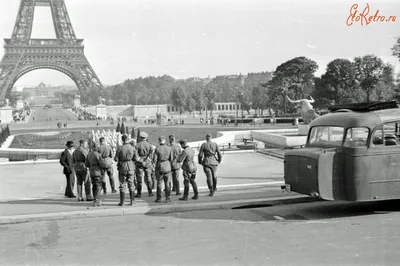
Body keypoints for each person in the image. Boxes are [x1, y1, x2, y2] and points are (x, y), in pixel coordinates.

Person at [114, 134, 137, 206]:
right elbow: (136, 159)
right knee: (131, 184)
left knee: (122, 185)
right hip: (131, 167)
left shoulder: (120, 148)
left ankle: (122, 202)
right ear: (128, 139)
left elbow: (115, 159)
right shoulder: (132, 148)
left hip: (122, 167)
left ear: (122, 140)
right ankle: (132, 201)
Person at [85, 143, 107, 207]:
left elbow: (86, 164)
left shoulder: (89, 154)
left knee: (94, 186)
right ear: (97, 147)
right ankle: (96, 201)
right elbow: (102, 164)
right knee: (99, 186)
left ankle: (95, 199)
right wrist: (107, 165)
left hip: (91, 172)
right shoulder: (97, 154)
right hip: (97, 171)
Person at [153, 136, 173, 203]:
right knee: (167, 183)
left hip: (160, 166)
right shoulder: (169, 148)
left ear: (159, 141)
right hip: (167, 166)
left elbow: (154, 160)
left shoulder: (157, 149)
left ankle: (159, 198)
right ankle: (168, 198)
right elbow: (171, 159)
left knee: (159, 183)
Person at [135, 132, 154, 197]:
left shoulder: (137, 145)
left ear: (140, 137)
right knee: (148, 178)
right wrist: (147, 160)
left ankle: (139, 193)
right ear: (146, 138)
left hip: (140, 163)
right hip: (147, 163)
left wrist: (141, 161)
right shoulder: (150, 145)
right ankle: (150, 192)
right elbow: (151, 154)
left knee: (139, 179)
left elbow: (136, 156)